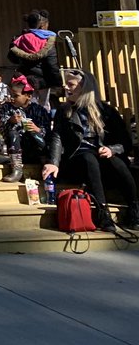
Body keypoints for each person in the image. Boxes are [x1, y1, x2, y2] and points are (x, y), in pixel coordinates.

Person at [43, 69, 139, 232]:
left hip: (103, 159)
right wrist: (53, 162)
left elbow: (125, 142)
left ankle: (134, 209)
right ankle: (102, 212)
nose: (66, 88)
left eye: (71, 84)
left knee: (117, 162)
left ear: (84, 87)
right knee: (89, 158)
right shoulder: (64, 111)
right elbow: (57, 137)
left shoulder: (107, 112)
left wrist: (111, 149)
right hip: (78, 159)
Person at [0, 75, 50, 183]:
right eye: (11, 95)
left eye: (16, 96)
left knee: (34, 134)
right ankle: (17, 169)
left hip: (35, 148)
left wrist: (38, 130)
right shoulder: (7, 108)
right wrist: (10, 121)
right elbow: (1, 128)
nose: (12, 98)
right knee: (13, 133)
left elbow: (48, 132)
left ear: (28, 96)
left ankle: (45, 165)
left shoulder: (39, 110)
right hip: (16, 148)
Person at [9, 9, 60, 108]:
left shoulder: (20, 39)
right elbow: (52, 64)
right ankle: (43, 118)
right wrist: (57, 82)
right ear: (42, 25)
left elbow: (12, 58)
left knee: (28, 103)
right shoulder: (47, 41)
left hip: (26, 78)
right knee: (44, 104)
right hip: (43, 79)